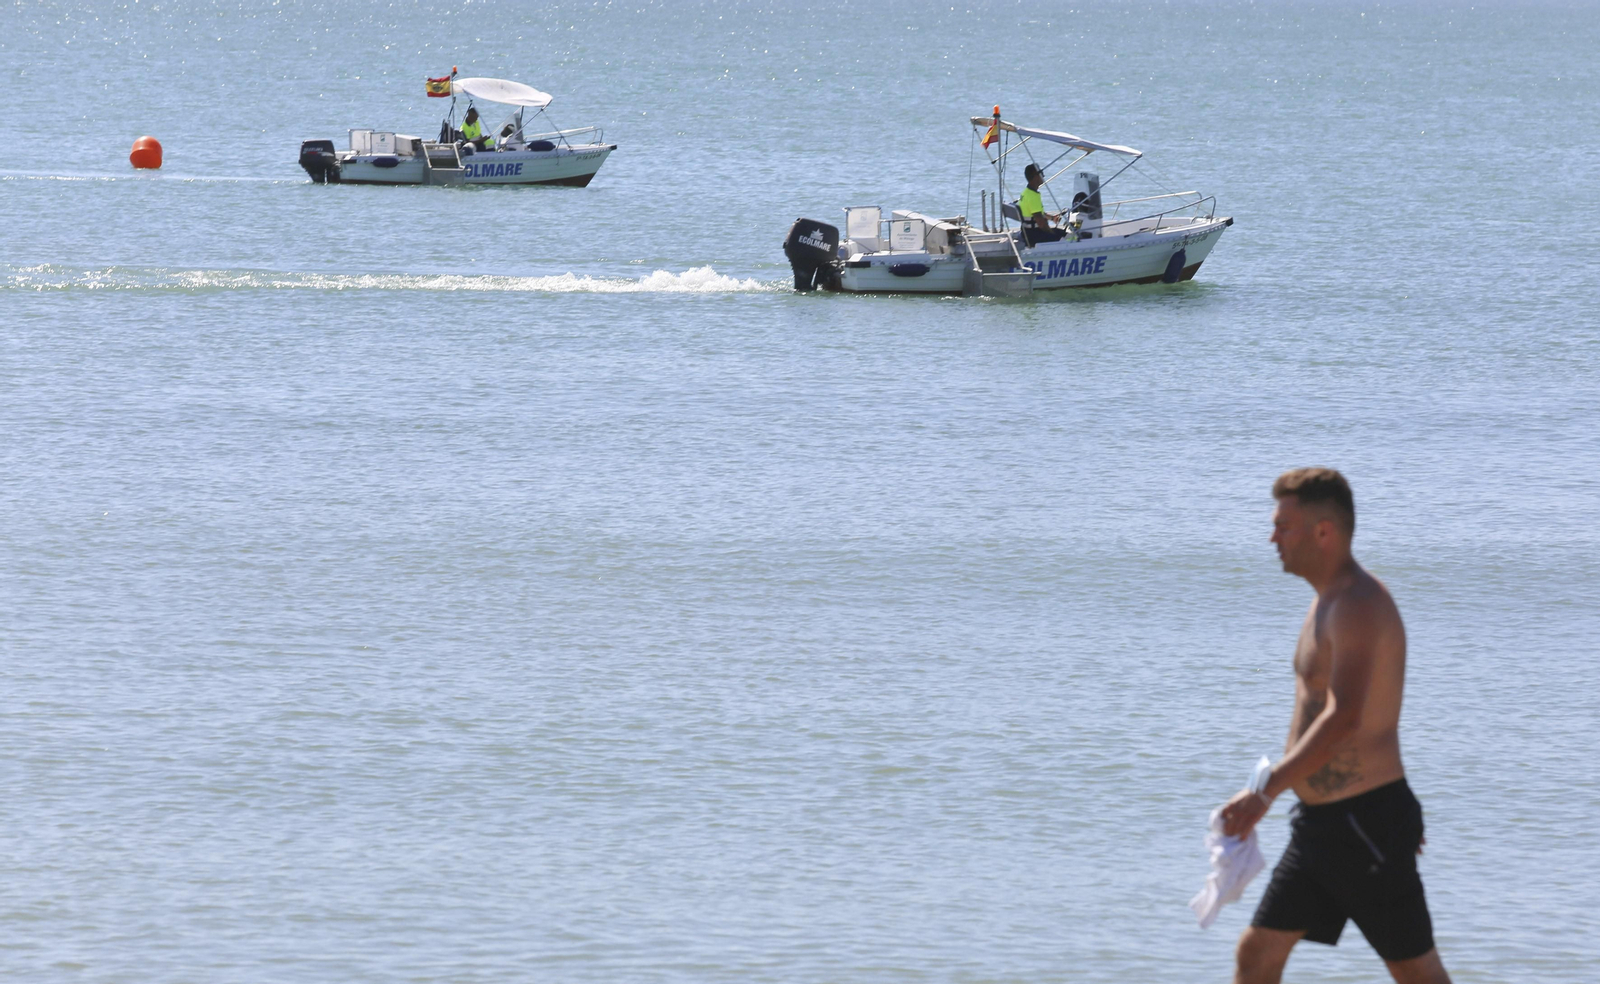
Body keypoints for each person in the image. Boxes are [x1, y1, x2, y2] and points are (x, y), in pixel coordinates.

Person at [1219, 468, 1451, 984]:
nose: (1272, 537)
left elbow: (1343, 718)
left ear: (1323, 532)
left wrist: (1266, 792)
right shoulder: (1324, 602)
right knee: (1257, 956)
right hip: (1324, 824)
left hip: (1363, 822)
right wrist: (1271, 790)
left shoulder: (1357, 605)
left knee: (1416, 972)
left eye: (1284, 525)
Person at [1018, 163, 1066, 246]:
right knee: (1064, 236)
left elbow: (1037, 213)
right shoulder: (1033, 196)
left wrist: (1052, 218)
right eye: (1041, 173)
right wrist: (1052, 233)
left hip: (1027, 233)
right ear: (1036, 176)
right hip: (1034, 236)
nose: (1043, 175)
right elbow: (1041, 223)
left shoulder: (1026, 193)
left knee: (1062, 232)